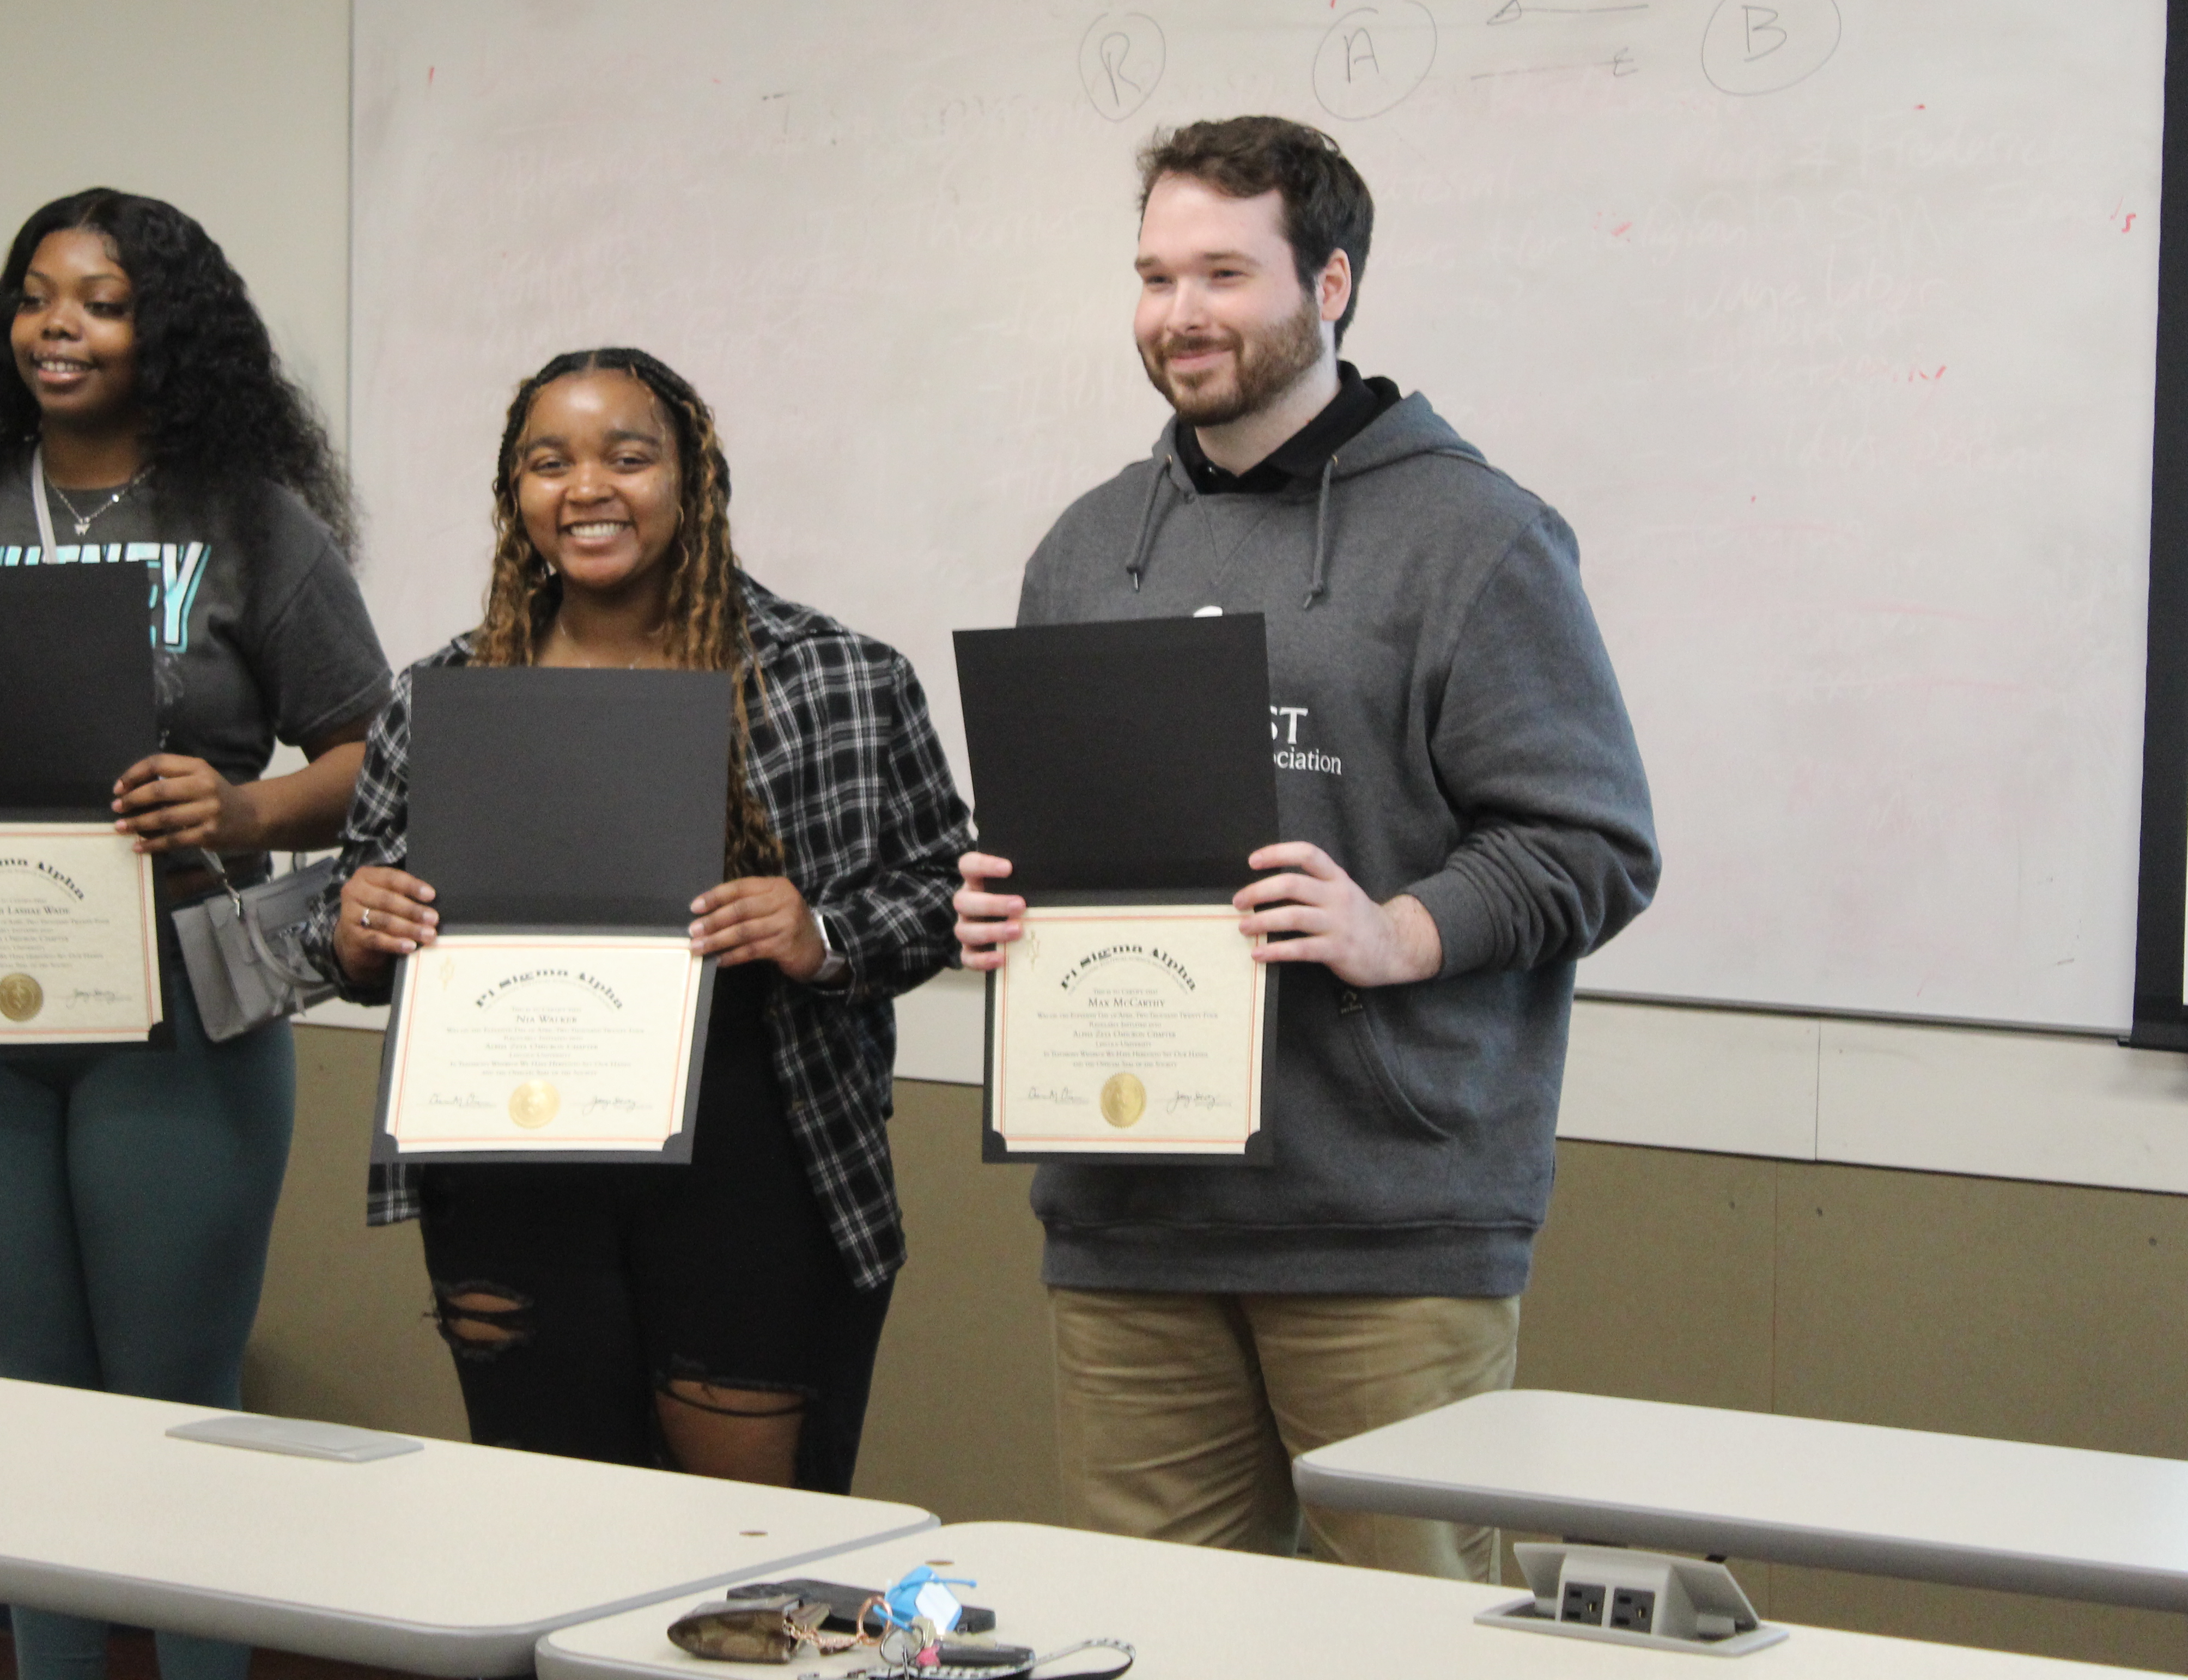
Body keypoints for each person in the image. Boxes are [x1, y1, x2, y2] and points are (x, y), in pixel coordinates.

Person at [953, 117, 1658, 1578]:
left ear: (1330, 286)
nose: (1180, 316)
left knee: (1411, 1641)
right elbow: (1065, 832)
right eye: (1155, 276)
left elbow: (1591, 845)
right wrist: (1000, 904)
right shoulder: (1086, 550)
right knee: (1158, 1631)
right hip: (1130, 1213)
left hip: (1384, 1228)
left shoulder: (1478, 537)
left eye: (1224, 273)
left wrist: (1395, 930)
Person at [0, 188, 391, 1680]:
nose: (61, 325)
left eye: (104, 301)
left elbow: (379, 756)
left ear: (165, 333)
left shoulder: (252, 521)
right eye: (38, 296)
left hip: (180, 1009)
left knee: (174, 1411)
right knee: (28, 1416)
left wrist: (242, 811)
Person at [297, 346, 970, 1493]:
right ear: (517, 496)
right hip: (510, 1159)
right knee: (551, 1535)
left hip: (758, 1155)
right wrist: (355, 922)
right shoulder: (444, 696)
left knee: (745, 1560)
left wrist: (822, 934)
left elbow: (951, 890)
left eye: (628, 456)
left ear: (693, 479)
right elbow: (347, 919)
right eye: (549, 462)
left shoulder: (839, 675)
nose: (587, 488)